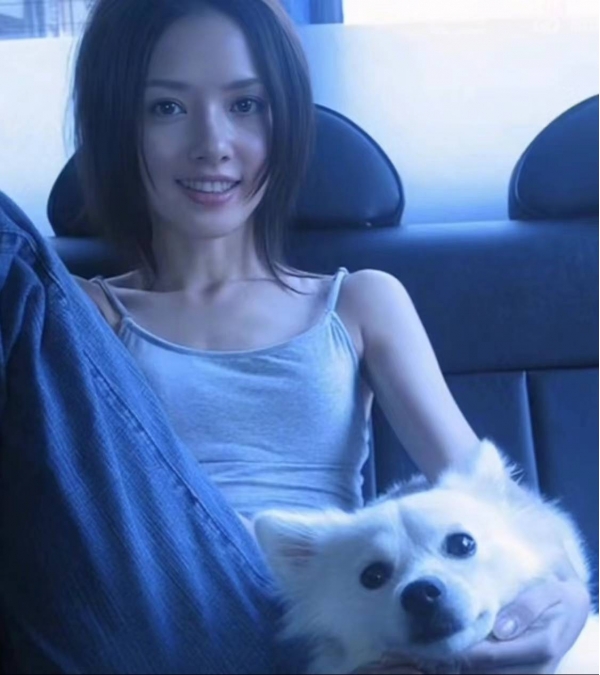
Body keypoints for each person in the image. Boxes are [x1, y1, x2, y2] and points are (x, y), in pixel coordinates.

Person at [0, 0, 589, 673]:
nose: (212, 143)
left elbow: (490, 502)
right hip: (148, 613)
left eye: (245, 105)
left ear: (284, 119)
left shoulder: (359, 303)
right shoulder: (78, 319)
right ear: (116, 127)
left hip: (313, 621)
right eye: (166, 108)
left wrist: (565, 592)